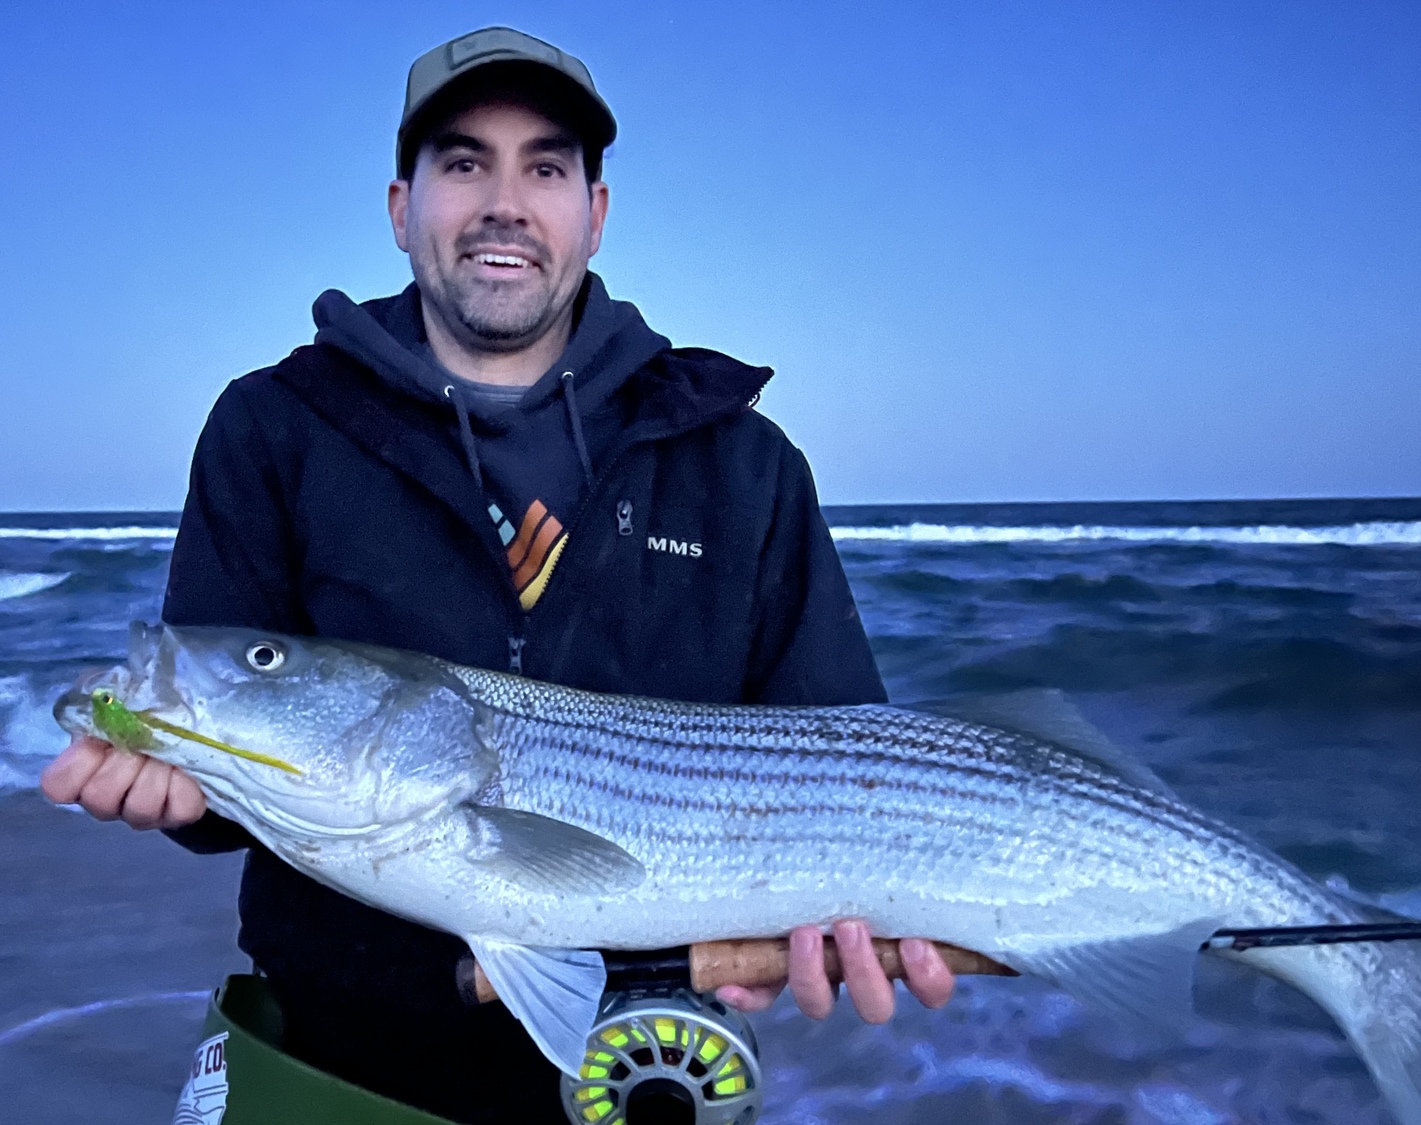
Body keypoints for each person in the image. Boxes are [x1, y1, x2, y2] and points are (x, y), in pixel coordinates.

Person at [40, 26, 954, 1124]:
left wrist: (839, 920)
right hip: (330, 1054)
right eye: (464, 161)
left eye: (547, 166)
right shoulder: (273, 427)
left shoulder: (743, 461)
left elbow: (848, 762)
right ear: (400, 206)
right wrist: (174, 789)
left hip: (650, 1070)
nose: (504, 202)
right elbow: (233, 768)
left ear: (595, 212)